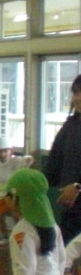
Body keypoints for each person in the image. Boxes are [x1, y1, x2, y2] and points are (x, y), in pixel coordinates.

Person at [46, 74, 81, 243]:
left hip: (76, 197)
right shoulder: (72, 124)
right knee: (64, 251)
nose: (77, 98)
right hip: (71, 207)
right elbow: (55, 161)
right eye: (75, 93)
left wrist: (78, 186)